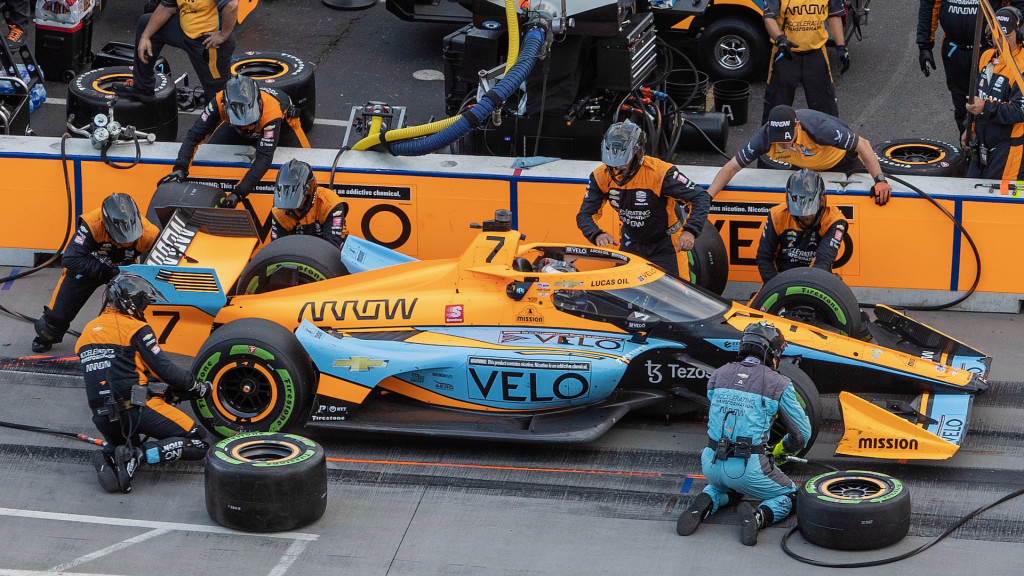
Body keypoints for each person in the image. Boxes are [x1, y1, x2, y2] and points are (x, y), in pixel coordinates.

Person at [77, 272, 214, 494]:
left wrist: (156, 391)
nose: (143, 309)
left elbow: (113, 372)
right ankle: (140, 456)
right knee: (201, 443)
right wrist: (196, 387)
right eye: (142, 303)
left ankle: (114, 453)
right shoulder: (135, 329)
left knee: (127, 441)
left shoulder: (88, 331)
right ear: (129, 302)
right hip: (135, 411)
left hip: (102, 417)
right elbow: (165, 370)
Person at [675, 322, 811, 546]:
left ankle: (706, 500)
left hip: (711, 462)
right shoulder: (779, 383)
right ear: (772, 352)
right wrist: (780, 450)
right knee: (791, 495)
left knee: (728, 488)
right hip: (749, 468)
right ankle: (759, 517)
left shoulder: (718, 374)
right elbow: (801, 435)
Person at [575, 121, 711, 277]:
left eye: (623, 163)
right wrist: (597, 234)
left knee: (676, 292)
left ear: (637, 154)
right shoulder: (600, 176)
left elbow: (700, 197)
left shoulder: (660, 173)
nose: (617, 169)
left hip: (666, 243)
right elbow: (585, 215)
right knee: (627, 294)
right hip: (631, 241)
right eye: (612, 163)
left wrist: (690, 231)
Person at [32, 194, 159, 353]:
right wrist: (105, 272)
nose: (125, 242)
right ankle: (46, 336)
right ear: (106, 225)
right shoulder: (91, 225)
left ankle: (134, 341)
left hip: (123, 270)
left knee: (134, 310)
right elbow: (70, 259)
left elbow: (159, 265)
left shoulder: (150, 233)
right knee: (54, 319)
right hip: (88, 267)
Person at [160, 74, 310, 207]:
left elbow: (264, 158)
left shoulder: (272, 112)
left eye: (248, 122)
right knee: (211, 148)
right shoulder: (218, 101)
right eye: (242, 122)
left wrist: (238, 193)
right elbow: (194, 135)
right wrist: (180, 168)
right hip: (233, 126)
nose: (246, 126)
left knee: (305, 164)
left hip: (282, 126)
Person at [706, 105, 893, 206]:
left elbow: (863, 144)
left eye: (787, 139)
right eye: (779, 141)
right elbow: (732, 167)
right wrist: (708, 196)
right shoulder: (763, 137)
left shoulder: (818, 128)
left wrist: (880, 180)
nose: (783, 145)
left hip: (841, 161)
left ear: (797, 126)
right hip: (805, 166)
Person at [917, 0, 1019, 134]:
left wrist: (1018, 42)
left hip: (990, 49)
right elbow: (929, 4)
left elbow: (1018, 7)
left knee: (994, 101)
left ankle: (993, 149)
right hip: (954, 50)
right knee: (961, 105)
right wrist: (924, 45)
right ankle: (967, 147)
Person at [114, 0, 238, 104]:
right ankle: (142, 88)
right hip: (186, 31)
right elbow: (166, 8)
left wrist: (223, 35)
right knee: (146, 23)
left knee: (217, 98)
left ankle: (216, 129)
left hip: (208, 42)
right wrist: (145, 36)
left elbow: (232, 5)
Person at [761, 0, 848, 123]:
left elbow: (833, 15)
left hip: (816, 55)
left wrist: (841, 47)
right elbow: (769, 18)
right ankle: (770, 141)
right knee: (776, 111)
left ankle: (828, 142)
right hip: (785, 54)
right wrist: (780, 39)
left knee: (827, 113)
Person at [962, 6, 1024, 180]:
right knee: (969, 194)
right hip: (982, 143)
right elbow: (975, 98)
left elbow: (1020, 110)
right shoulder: (986, 57)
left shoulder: (1022, 66)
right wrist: (970, 127)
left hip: (1009, 149)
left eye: (1007, 36)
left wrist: (985, 107)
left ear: (1019, 35)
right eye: (997, 35)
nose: (1001, 40)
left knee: (999, 202)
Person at [756, 169, 848, 282]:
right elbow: (764, 257)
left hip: (816, 278)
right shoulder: (777, 215)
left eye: (810, 212)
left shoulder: (834, 220)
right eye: (798, 213)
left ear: (821, 202)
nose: (804, 217)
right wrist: (776, 287)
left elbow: (823, 262)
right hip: (781, 278)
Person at [271, 159, 348, 247]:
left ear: (309, 191)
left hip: (334, 248)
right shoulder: (279, 210)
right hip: (298, 250)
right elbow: (276, 247)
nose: (295, 207)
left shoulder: (330, 203)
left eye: (299, 199)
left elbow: (332, 247)